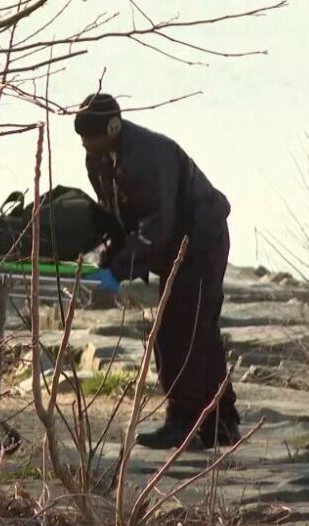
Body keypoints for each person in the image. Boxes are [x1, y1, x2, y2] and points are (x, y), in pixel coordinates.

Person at [75, 92, 240, 449]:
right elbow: (118, 215)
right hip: (174, 243)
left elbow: (157, 224)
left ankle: (184, 418)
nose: (87, 145)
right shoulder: (99, 158)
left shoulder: (149, 155)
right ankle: (221, 420)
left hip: (200, 239)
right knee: (197, 330)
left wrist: (120, 269)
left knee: (181, 330)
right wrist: (109, 253)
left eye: (92, 138)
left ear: (113, 127)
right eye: (83, 140)